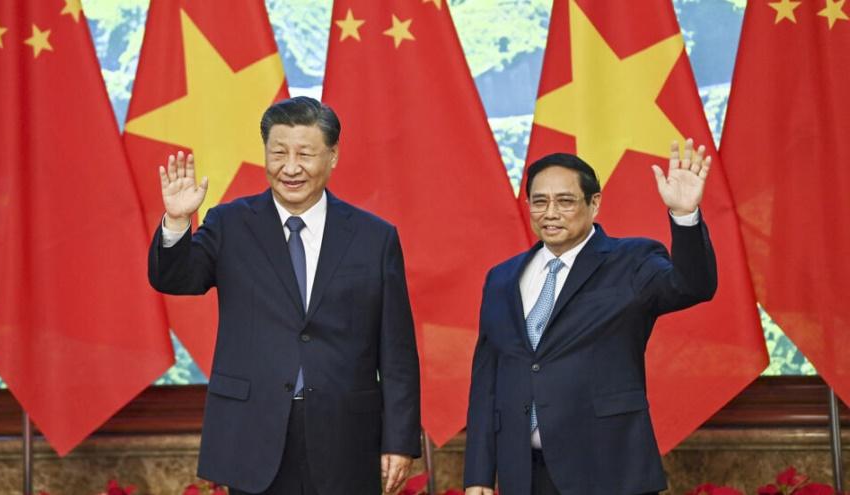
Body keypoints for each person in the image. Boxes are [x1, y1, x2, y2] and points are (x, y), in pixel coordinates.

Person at [148, 96, 421, 495]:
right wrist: (176, 221)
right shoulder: (230, 223)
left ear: (333, 156)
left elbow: (397, 351)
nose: (290, 167)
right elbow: (175, 279)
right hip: (254, 432)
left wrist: (399, 441)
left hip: (346, 436)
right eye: (278, 153)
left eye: (305, 154)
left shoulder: (373, 237)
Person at [463, 139, 717, 495]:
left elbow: (692, 286)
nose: (550, 213)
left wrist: (685, 217)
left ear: (594, 203)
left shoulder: (631, 260)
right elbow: (486, 382)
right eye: (540, 202)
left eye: (565, 201)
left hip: (608, 471)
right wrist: (477, 477)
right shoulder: (501, 279)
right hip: (524, 475)